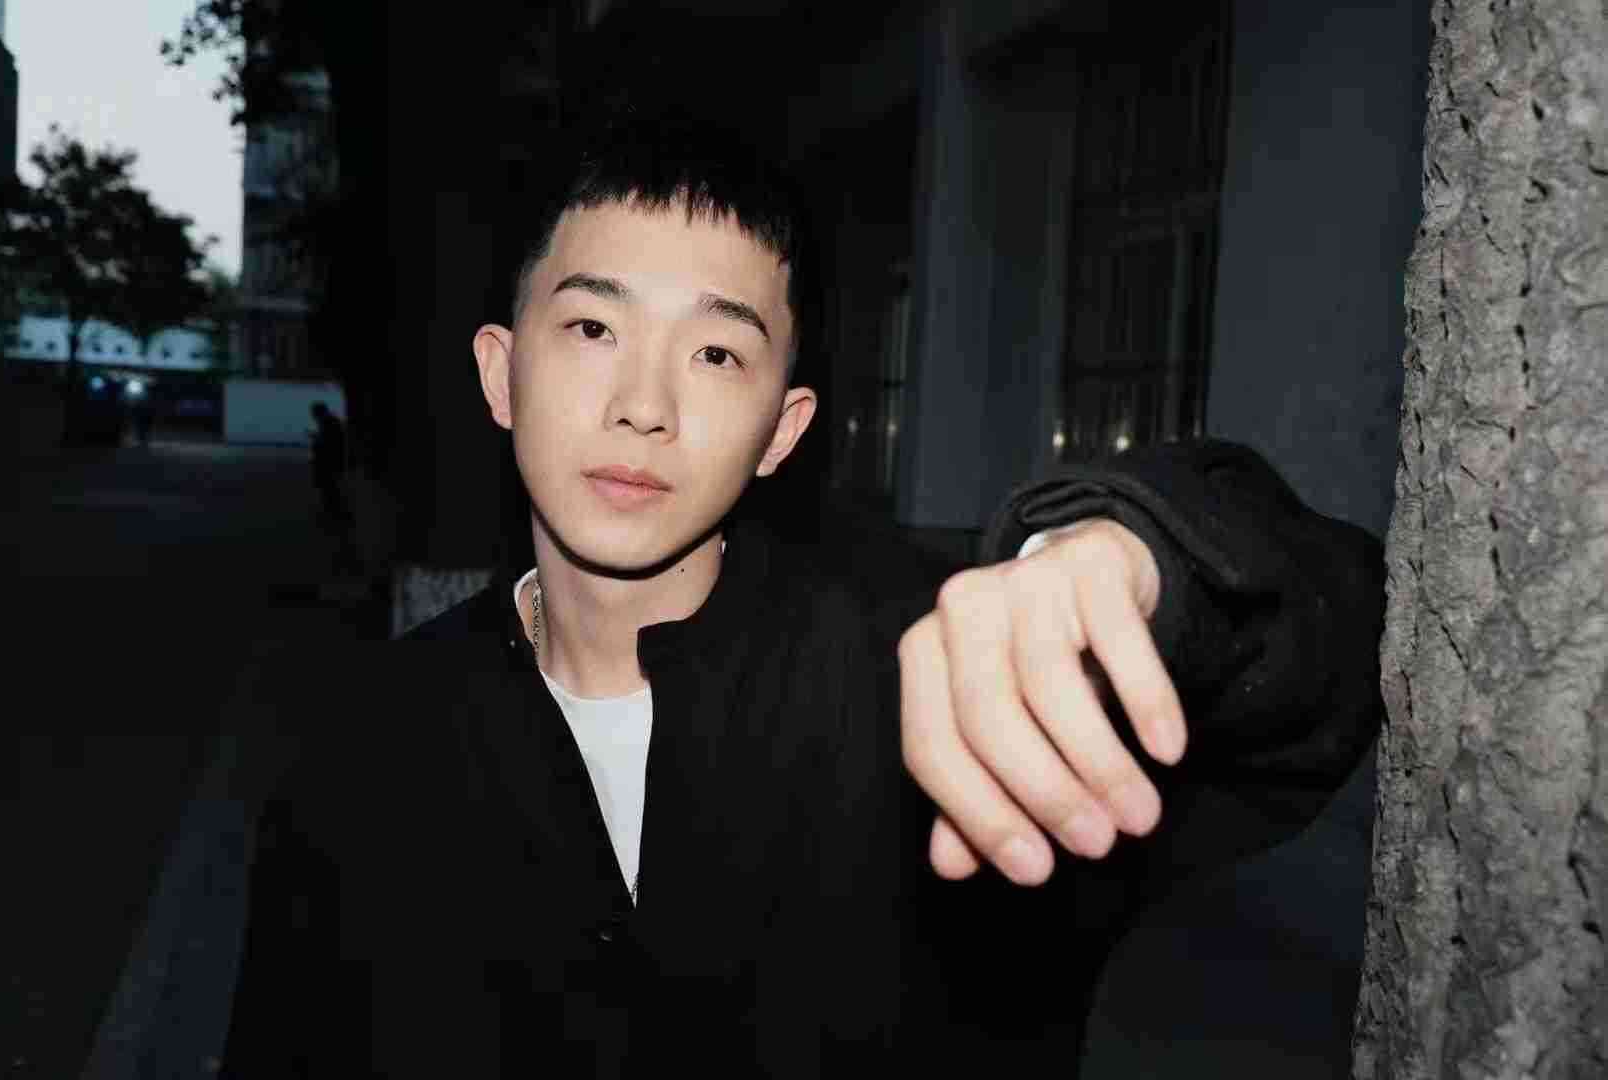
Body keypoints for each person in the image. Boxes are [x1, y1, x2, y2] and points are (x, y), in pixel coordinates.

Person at [217, 110, 1383, 1077]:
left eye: (715, 353)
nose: (643, 405)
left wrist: (1140, 559)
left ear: (783, 429)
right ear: (501, 372)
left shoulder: (921, 695)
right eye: (592, 326)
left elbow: (1335, 652)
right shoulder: (361, 764)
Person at [308, 401, 349, 527]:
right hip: (331, 463)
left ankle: (334, 516)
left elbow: (329, 443)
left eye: (313, 413)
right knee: (331, 489)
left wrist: (316, 439)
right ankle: (334, 514)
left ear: (318, 412)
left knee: (329, 490)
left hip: (328, 463)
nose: (313, 416)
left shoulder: (328, 422)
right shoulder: (331, 421)